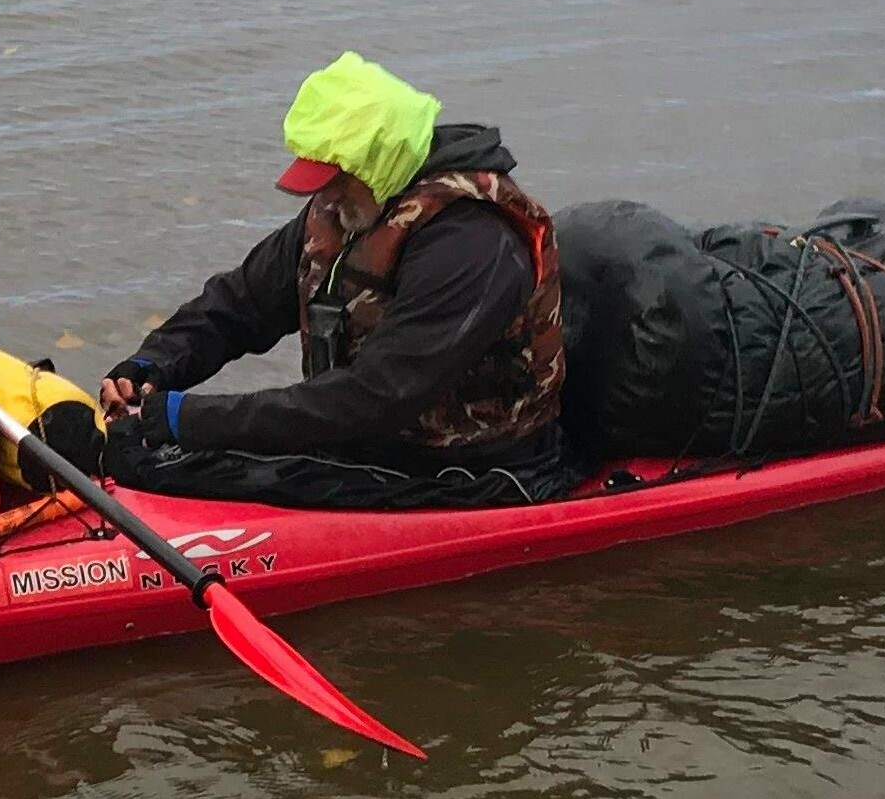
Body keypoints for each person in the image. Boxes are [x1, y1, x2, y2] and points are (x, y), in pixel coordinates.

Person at [92, 53, 574, 509]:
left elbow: (376, 395)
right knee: (158, 453)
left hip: (473, 467)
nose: (326, 194)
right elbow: (240, 305)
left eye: (335, 178)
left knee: (186, 461)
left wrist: (182, 418)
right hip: (362, 443)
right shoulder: (345, 207)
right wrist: (151, 367)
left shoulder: (472, 241)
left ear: (378, 162)